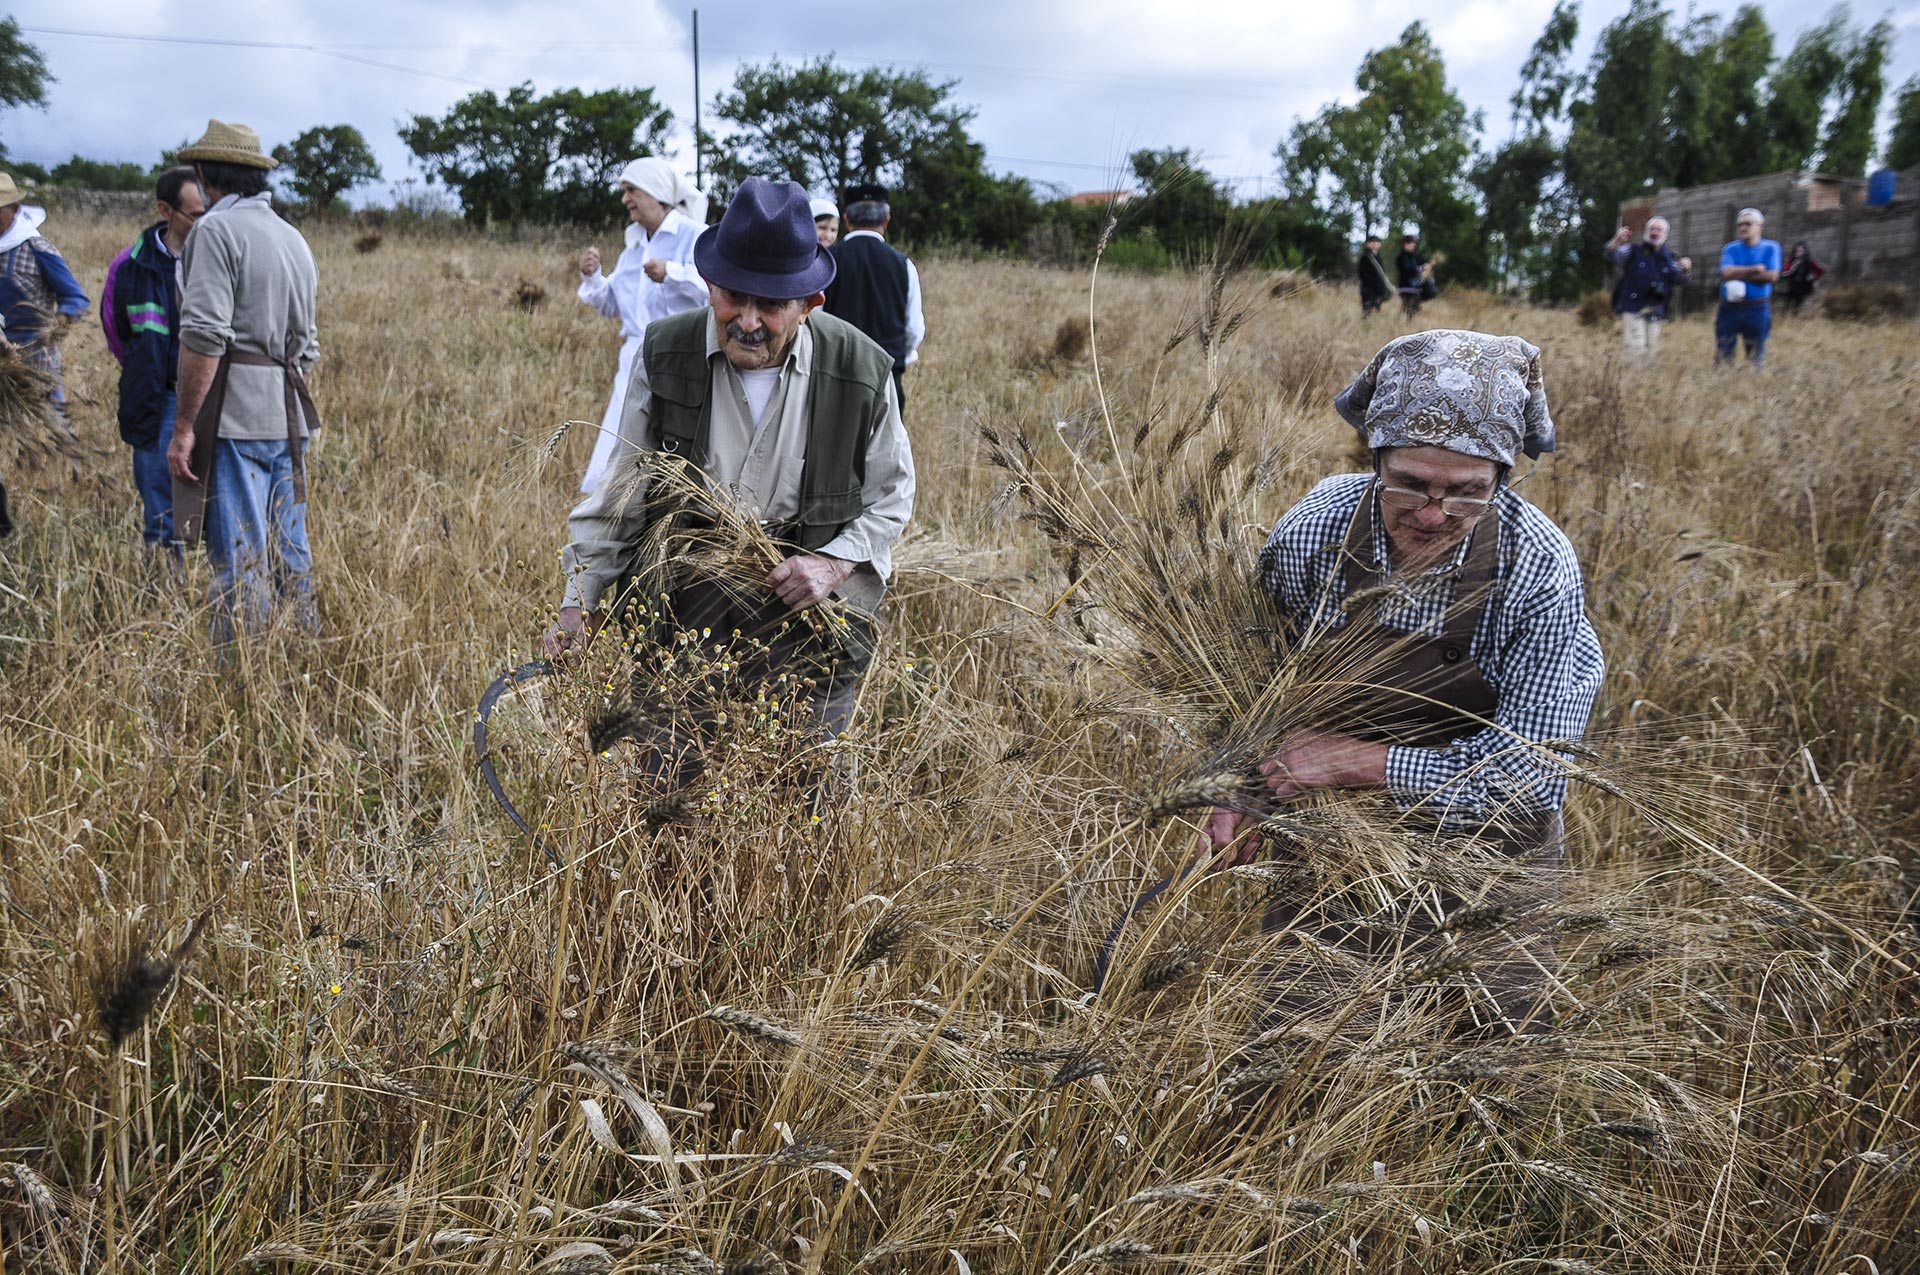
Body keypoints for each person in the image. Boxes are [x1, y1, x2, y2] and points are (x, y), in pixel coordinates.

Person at [1201, 330, 1605, 1031]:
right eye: (1411, 483)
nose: (1432, 514)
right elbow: (1251, 682)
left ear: (1502, 480)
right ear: (1375, 459)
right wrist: (1239, 783)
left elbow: (1531, 780)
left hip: (1491, 855)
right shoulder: (1312, 536)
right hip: (1338, 844)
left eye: (1466, 493)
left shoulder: (1537, 567)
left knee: (1490, 1061)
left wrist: (1356, 761)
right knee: (1302, 1052)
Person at [544, 177, 914, 775]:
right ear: (710, 284)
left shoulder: (862, 368)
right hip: (685, 610)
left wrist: (832, 563)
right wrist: (577, 604)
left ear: (809, 304)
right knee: (671, 790)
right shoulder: (666, 352)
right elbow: (621, 493)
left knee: (807, 795)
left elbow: (893, 497)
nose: (746, 321)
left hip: (812, 616)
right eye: (732, 297)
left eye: (769, 306)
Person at [166, 119, 322, 644]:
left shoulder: (215, 230)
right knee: (290, 550)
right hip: (289, 419)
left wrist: (184, 424)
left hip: (233, 420)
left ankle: (241, 674)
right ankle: (304, 656)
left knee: (241, 556)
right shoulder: (292, 236)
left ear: (205, 173)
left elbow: (205, 335)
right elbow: (310, 346)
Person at [576, 157, 710, 494]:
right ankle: (613, 511)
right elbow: (615, 305)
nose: (625, 199)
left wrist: (673, 273)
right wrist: (593, 277)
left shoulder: (694, 235)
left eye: (631, 189)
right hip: (634, 358)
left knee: (675, 445)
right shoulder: (633, 246)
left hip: (683, 358)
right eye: (624, 191)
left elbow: (718, 289)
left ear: (657, 191)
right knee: (623, 441)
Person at [103, 167, 204, 549]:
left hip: (213, 399)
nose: (205, 222)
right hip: (157, 399)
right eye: (196, 215)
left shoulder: (218, 258)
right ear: (165, 210)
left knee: (219, 507)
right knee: (161, 512)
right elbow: (117, 333)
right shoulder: (128, 266)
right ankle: (165, 594)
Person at [0, 171, 91, 435]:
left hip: (35, 351)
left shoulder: (37, 248)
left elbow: (75, 297)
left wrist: (59, 323)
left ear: (14, 210)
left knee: (52, 426)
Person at [823, 183, 924, 418]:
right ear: (886, 221)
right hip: (886, 377)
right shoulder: (904, 265)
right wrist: (895, 359)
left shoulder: (828, 262)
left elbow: (812, 318)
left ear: (847, 219)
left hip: (835, 378)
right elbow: (914, 330)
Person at [1606, 217, 1691, 362]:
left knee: (1650, 354)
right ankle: (1633, 382)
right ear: (1646, 232)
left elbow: (1681, 281)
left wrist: (1687, 269)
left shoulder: (1669, 257)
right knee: (1636, 350)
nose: (1655, 232)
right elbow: (1610, 254)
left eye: (1659, 229)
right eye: (1652, 229)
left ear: (1665, 234)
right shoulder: (1633, 250)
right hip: (1633, 307)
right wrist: (1617, 240)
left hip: (1656, 310)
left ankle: (1645, 382)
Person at [1715, 207, 1781, 367]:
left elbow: (1771, 276)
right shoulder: (1730, 248)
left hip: (1757, 308)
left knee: (1755, 354)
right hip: (1729, 308)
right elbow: (1725, 272)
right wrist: (1755, 269)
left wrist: (1737, 272)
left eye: (1748, 224)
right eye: (1740, 225)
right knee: (1724, 351)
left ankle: (1753, 386)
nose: (1743, 228)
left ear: (1760, 225)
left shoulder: (1771, 247)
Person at [1778, 241, 1825, 315]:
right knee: (1787, 304)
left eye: (1801, 251)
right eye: (1798, 251)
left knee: (1797, 306)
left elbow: (1821, 270)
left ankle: (1795, 319)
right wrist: (1793, 267)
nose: (1799, 253)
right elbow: (1784, 273)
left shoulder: (1809, 261)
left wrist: (1813, 277)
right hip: (1791, 286)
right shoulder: (1791, 261)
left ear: (1805, 251)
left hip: (1803, 286)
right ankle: (1785, 317)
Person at [1394, 232, 1432, 319]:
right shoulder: (1401, 257)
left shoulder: (1416, 256)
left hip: (1417, 288)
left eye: (1414, 243)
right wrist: (1420, 269)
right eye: (1411, 243)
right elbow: (1406, 271)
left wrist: (1429, 265)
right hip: (1406, 287)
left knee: (1414, 309)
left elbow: (1425, 263)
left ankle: (1408, 323)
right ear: (1405, 244)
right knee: (1408, 308)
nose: (1413, 245)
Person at [1356, 234, 1393, 317]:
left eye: (1377, 242)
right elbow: (1362, 274)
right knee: (1367, 309)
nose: (1374, 244)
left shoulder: (1379, 256)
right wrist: (1373, 281)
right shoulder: (1365, 257)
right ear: (1367, 244)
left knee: (1377, 309)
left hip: (1378, 288)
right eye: (1372, 242)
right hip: (1367, 288)